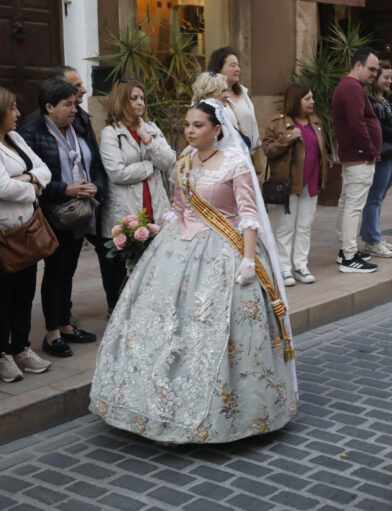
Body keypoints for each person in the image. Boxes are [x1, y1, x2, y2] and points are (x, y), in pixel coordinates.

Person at [90, 100, 298, 443]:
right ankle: (154, 403)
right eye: (187, 124)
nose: (189, 130)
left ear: (217, 129)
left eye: (198, 125)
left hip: (225, 252)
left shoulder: (235, 163)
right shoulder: (184, 160)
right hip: (178, 249)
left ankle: (232, 411)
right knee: (167, 325)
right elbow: (178, 208)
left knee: (218, 331)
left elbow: (248, 214)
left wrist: (248, 260)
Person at [19, 79, 106, 357]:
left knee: (68, 269)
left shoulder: (79, 123)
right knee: (54, 272)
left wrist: (95, 187)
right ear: (49, 107)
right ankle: (51, 333)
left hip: (79, 211)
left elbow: (94, 162)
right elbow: (33, 177)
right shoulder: (31, 132)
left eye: (74, 103)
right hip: (52, 213)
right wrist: (66, 189)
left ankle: (66, 325)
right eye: (67, 104)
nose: (74, 108)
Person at [99, 78, 176, 295]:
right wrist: (149, 166)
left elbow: (169, 160)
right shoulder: (111, 133)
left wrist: (147, 138)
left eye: (142, 98)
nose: (140, 102)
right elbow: (117, 173)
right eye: (133, 98)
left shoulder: (151, 128)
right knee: (126, 277)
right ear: (121, 101)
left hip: (155, 208)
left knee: (155, 272)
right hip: (126, 211)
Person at [0, 87, 53, 382]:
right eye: (13, 109)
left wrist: (28, 178)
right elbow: (1, 188)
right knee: (3, 298)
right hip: (4, 234)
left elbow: (44, 169)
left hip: (27, 230)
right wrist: (31, 186)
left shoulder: (16, 139)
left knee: (24, 294)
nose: (19, 114)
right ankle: (3, 354)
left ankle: (22, 348)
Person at [262, 84, 327, 286]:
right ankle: (284, 268)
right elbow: (267, 150)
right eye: (307, 98)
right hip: (288, 184)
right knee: (285, 227)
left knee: (305, 226)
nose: (312, 102)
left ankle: (300, 266)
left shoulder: (316, 122)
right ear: (295, 100)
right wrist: (288, 137)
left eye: (312, 98)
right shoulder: (277, 123)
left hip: (311, 183)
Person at [331, 46, 382, 273]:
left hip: (354, 157)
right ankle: (350, 257)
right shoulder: (352, 88)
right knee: (353, 207)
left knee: (347, 204)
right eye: (371, 69)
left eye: (376, 70)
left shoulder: (349, 86)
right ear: (358, 65)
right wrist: (370, 151)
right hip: (359, 158)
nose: (374, 74)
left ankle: (346, 251)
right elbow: (357, 124)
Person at [361, 60, 392, 259]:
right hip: (382, 153)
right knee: (374, 198)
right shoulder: (369, 101)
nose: (389, 81)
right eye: (385, 77)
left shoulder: (391, 100)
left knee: (379, 197)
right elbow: (379, 128)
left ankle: (374, 237)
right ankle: (372, 241)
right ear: (375, 78)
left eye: (391, 77)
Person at [207, 47, 260, 149]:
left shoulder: (243, 92)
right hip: (223, 157)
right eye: (232, 65)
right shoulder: (208, 96)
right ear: (219, 69)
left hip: (247, 155)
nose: (238, 69)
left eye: (238, 65)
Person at [191, 71, 249, 146]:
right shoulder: (210, 115)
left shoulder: (204, 111)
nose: (227, 95)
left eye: (227, 90)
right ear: (209, 92)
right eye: (223, 91)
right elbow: (243, 142)